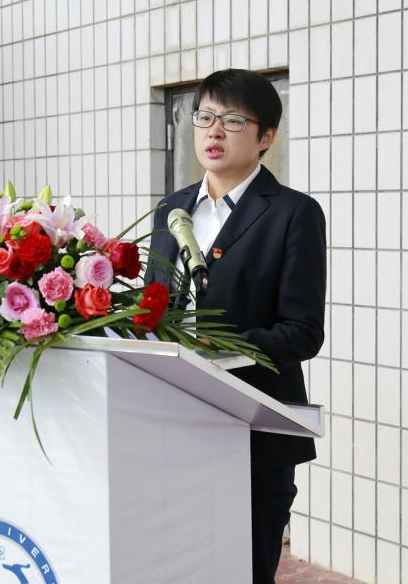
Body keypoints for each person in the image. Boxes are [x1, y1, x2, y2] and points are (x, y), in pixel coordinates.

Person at [144, 68, 327, 583]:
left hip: (253, 430)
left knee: (244, 568)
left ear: (266, 136)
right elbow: (154, 305)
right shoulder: (171, 209)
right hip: (171, 422)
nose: (214, 132)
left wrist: (217, 350)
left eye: (233, 121)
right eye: (205, 118)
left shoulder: (294, 213)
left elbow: (303, 331)